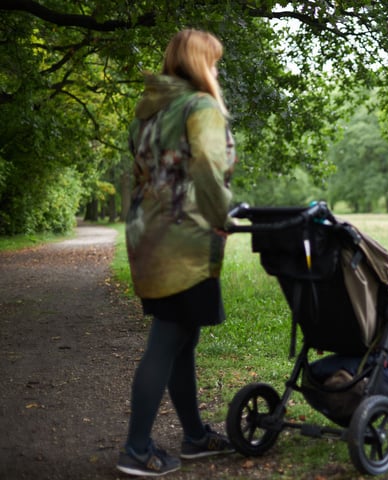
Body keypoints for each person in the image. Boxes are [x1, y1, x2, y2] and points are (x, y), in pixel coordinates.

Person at [117, 29, 237, 477]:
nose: (217, 69)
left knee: (182, 338)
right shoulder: (199, 106)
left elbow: (143, 173)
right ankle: (135, 448)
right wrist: (223, 216)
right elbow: (207, 164)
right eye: (215, 61)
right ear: (200, 63)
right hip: (184, 240)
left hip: (148, 236)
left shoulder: (147, 112)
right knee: (168, 339)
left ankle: (193, 436)